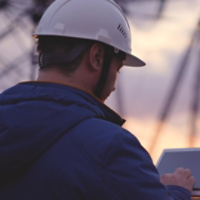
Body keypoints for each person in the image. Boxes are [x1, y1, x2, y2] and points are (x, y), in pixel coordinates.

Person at [0, 0, 195, 199]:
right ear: (97, 57)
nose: (114, 86)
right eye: (117, 69)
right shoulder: (111, 148)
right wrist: (177, 191)